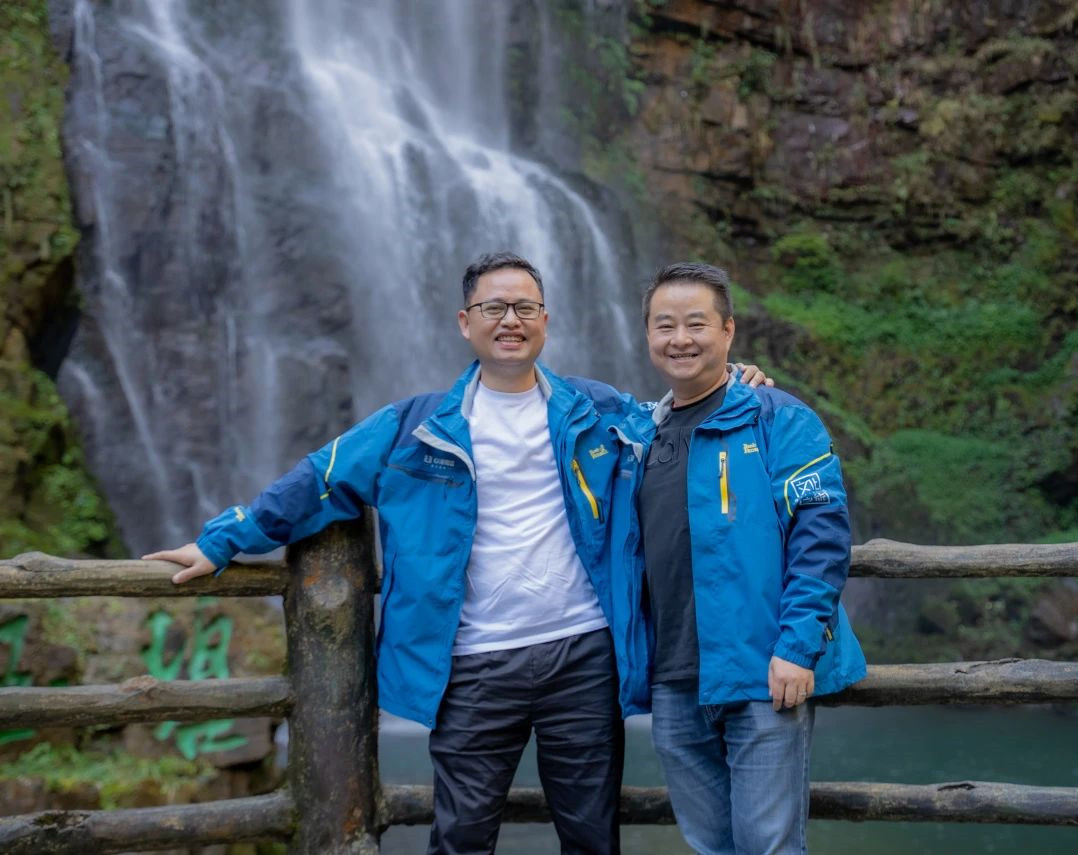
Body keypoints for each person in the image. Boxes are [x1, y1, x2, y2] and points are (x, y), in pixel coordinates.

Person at [144, 251, 769, 855]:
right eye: (494, 308)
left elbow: (681, 412)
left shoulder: (597, 410)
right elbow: (319, 480)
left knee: (590, 834)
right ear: (465, 322)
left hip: (583, 654)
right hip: (471, 662)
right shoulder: (413, 427)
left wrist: (736, 380)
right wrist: (220, 541)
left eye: (525, 308)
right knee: (462, 834)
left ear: (546, 321)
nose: (511, 320)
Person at [612, 262, 867, 855]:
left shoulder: (779, 417)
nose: (680, 339)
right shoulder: (638, 436)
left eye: (696, 324)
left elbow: (820, 535)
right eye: (665, 325)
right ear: (647, 335)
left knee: (768, 846)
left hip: (764, 673)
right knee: (710, 846)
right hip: (673, 680)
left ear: (728, 331)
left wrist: (797, 647)